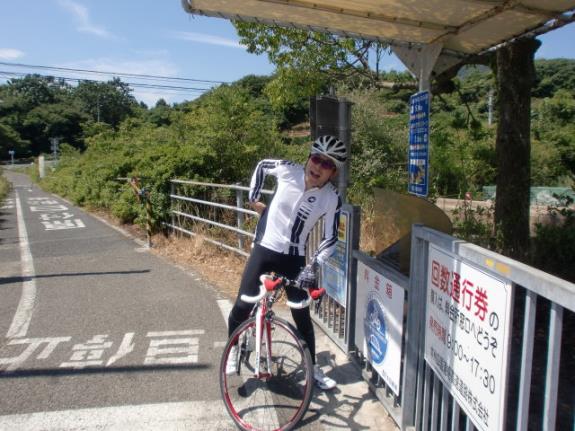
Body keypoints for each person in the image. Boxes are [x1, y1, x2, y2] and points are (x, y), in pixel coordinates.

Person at [226, 135, 347, 390]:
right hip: (265, 247)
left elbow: (330, 238)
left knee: (301, 313)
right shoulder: (287, 170)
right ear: (308, 157)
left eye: (326, 164)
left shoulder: (331, 198)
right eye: (316, 158)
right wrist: (253, 196)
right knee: (242, 305)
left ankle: (312, 370)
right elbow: (261, 166)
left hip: (294, 257)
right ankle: (233, 349)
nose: (318, 166)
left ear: (333, 172)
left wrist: (312, 266)